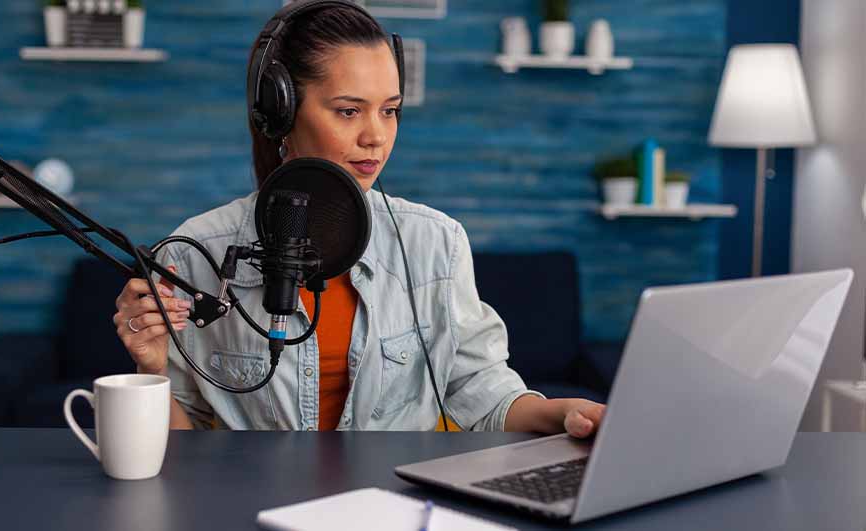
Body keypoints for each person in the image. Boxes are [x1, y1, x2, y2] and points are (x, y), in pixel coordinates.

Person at [112, 0, 606, 434]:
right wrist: (151, 372)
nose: (376, 136)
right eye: (349, 111)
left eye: (389, 111)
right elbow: (184, 445)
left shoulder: (435, 243)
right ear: (280, 113)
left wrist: (563, 413)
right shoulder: (195, 252)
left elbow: (484, 395)